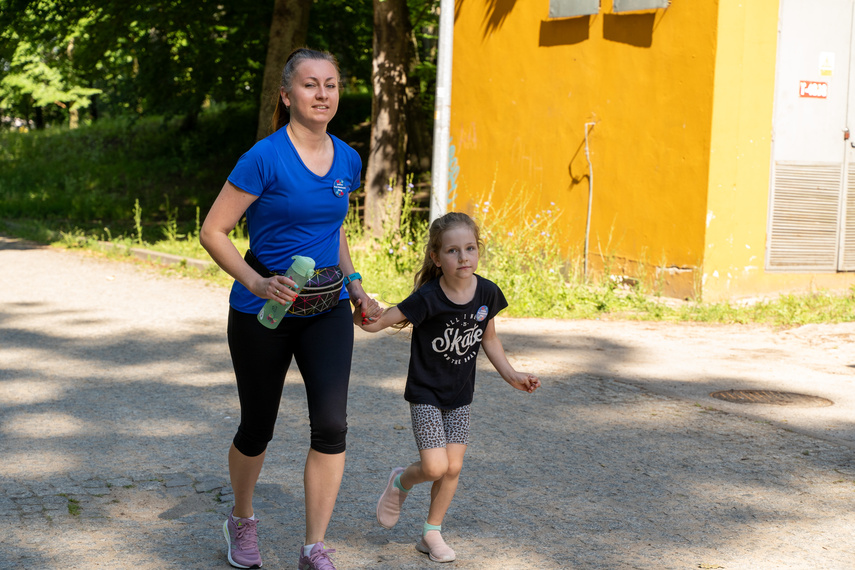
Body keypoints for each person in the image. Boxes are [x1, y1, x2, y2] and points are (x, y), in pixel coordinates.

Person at [200, 47, 381, 570]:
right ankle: (241, 519)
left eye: (330, 84)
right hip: (264, 315)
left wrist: (356, 286)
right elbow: (214, 231)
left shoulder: (348, 157)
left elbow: (334, 228)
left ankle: (312, 547)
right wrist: (255, 281)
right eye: (309, 85)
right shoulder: (263, 157)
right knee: (258, 426)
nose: (322, 94)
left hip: (326, 309)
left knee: (331, 425)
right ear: (287, 95)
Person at [352, 212, 541, 563]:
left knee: (453, 467)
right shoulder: (427, 298)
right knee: (436, 467)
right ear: (437, 258)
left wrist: (512, 375)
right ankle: (401, 483)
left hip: (459, 397)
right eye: (453, 251)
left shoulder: (486, 292)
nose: (464, 257)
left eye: (470, 248)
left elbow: (490, 339)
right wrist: (363, 314)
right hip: (425, 393)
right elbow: (380, 323)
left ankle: (431, 532)